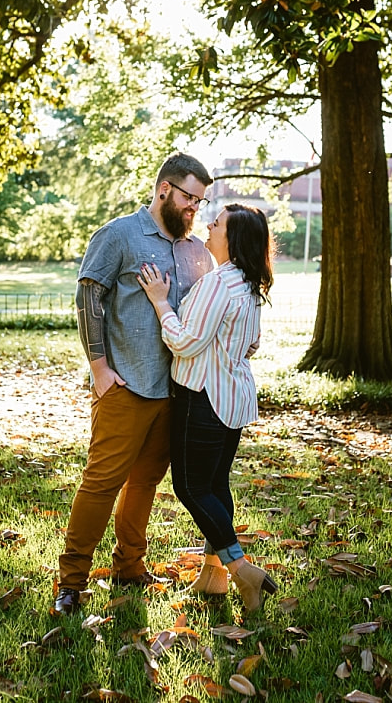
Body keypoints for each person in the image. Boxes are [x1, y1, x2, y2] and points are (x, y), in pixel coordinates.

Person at [54, 152, 215, 615]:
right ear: (164, 189)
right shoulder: (118, 235)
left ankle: (129, 566)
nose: (193, 210)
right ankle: (72, 582)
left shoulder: (192, 250)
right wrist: (100, 368)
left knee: (145, 483)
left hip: (175, 391)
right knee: (101, 484)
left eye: (199, 203)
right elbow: (89, 297)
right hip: (125, 385)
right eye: (188, 198)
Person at [136, 203, 277, 612]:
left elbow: (184, 342)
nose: (208, 226)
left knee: (191, 488)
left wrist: (161, 302)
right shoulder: (251, 284)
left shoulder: (219, 283)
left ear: (231, 239)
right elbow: (251, 343)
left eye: (217, 224)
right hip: (232, 399)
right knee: (215, 487)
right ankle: (213, 577)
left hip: (202, 399)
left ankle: (240, 569)